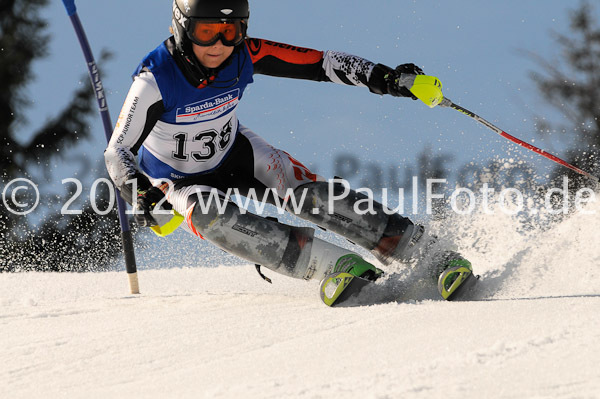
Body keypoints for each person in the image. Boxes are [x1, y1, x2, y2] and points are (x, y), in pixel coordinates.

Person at [105, 0, 472, 303]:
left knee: (305, 192)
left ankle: (426, 253)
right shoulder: (154, 79)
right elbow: (117, 151)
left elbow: (323, 63)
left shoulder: (244, 54)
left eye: (230, 31)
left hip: (237, 153)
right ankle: (335, 266)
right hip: (176, 179)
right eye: (206, 31)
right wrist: (142, 193)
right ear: (182, 27)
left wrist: (386, 78)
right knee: (209, 217)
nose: (218, 44)